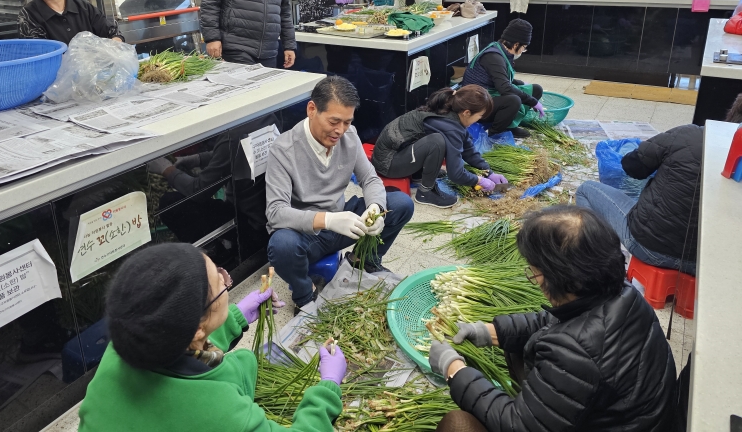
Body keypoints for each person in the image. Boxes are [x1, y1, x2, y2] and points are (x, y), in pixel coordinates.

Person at [429, 205, 676, 432]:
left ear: (562, 279)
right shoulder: (622, 292)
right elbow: (557, 322)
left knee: (457, 425)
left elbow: (518, 427)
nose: (534, 279)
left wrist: (455, 370)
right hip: (630, 417)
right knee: (519, 348)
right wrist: (490, 330)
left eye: (535, 271)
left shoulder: (574, 355)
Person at [78, 243, 346, 431]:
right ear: (196, 328)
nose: (224, 281)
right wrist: (327, 388)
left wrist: (235, 316)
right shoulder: (222, 413)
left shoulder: (128, 340)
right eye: (221, 286)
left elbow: (178, 334)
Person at [266, 76, 414, 314]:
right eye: (334, 121)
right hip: (307, 235)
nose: (340, 131)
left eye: (347, 122)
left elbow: (370, 179)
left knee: (400, 203)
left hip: (343, 223)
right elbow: (275, 213)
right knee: (281, 244)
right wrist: (329, 220)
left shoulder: (349, 136)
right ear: (312, 109)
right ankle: (304, 294)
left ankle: (363, 260)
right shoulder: (284, 150)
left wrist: (375, 207)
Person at [575, 95, 742, 276]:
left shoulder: (689, 134)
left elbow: (633, 167)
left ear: (731, 113)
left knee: (586, 190)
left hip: (650, 248)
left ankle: (599, 263)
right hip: (708, 263)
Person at [371, 86, 508, 209]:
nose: (478, 120)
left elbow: (468, 149)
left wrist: (489, 171)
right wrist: (479, 180)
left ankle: (419, 175)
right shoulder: (450, 126)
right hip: (387, 163)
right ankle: (426, 193)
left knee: (436, 141)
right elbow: (456, 174)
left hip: (399, 152)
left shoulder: (451, 112)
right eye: (479, 116)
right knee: (437, 142)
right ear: (466, 112)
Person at [462, 19, 544, 139]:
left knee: (535, 89)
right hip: (476, 103)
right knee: (513, 100)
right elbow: (505, 88)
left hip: (490, 93)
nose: (523, 51)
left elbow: (500, 78)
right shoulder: (494, 57)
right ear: (516, 45)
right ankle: (495, 132)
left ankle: (509, 125)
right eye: (524, 47)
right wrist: (533, 101)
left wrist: (521, 84)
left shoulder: (501, 51)